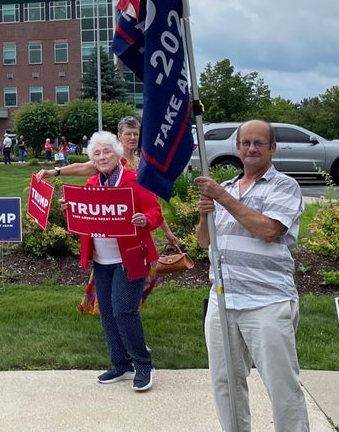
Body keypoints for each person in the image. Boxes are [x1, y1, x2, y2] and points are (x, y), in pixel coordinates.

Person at [195, 120, 309, 432]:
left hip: (266, 301)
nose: (251, 149)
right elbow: (204, 241)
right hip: (222, 300)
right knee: (225, 383)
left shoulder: (284, 186)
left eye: (259, 143)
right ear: (237, 148)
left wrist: (221, 197)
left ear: (272, 148)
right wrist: (205, 214)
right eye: (246, 143)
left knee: (282, 385)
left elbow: (269, 230)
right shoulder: (229, 188)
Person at [70, 132, 163, 392]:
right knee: (108, 314)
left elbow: (155, 211)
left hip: (130, 258)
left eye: (106, 152)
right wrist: (72, 211)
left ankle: (143, 364)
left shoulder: (135, 180)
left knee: (124, 311)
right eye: (97, 153)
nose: (101, 157)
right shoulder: (90, 185)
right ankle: (120, 364)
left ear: (117, 153)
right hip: (101, 260)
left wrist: (146, 220)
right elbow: (83, 225)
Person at [41, 117, 181, 250]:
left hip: (136, 230)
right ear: (119, 136)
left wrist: (167, 231)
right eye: (128, 134)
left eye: (136, 134)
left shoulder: (141, 164)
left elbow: (152, 202)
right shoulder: (111, 159)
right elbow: (82, 167)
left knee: (140, 268)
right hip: (109, 233)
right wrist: (55, 171)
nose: (132, 138)